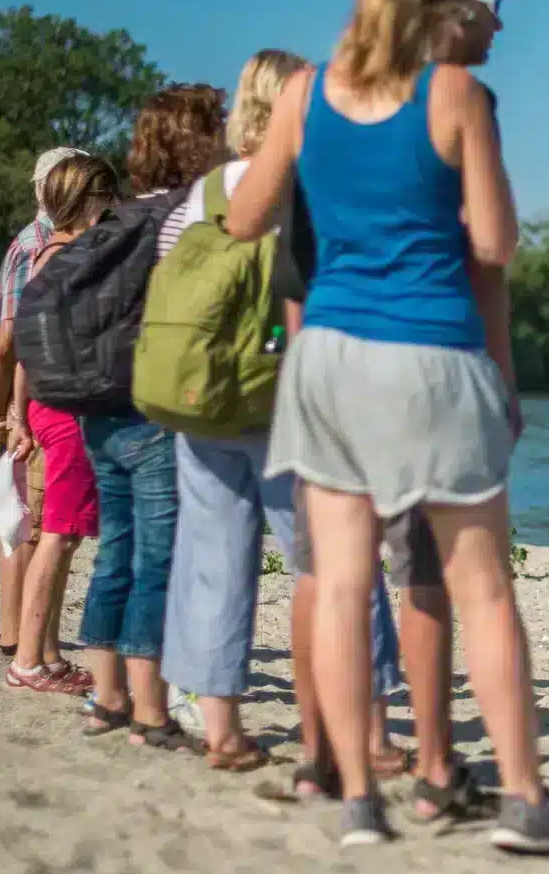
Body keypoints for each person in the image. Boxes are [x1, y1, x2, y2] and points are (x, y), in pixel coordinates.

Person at [225, 0, 549, 854]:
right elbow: (496, 246)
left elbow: (242, 219)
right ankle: (523, 801)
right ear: (457, 3)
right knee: (483, 591)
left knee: (341, 585)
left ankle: (356, 804)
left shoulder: (306, 94)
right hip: (432, 354)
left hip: (330, 355)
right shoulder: (458, 95)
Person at [158, 48, 401, 774]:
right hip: (286, 403)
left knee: (213, 562)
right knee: (338, 562)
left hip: (201, 404)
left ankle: (223, 729)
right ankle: (373, 731)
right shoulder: (305, 187)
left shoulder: (201, 197)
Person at [71, 84, 226, 751]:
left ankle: (106, 696)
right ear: (198, 139)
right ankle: (150, 712)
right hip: (153, 402)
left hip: (97, 404)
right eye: (217, 127)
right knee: (159, 561)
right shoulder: (192, 216)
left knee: (116, 550)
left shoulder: (119, 218)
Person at [2, 155, 113, 697]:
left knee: (60, 537)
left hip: (53, 405)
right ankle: (28, 661)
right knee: (60, 535)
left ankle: (45, 654)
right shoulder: (68, 258)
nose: (112, 206)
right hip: (68, 409)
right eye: (106, 196)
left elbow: (28, 345)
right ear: (86, 199)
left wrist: (19, 415)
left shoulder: (49, 255)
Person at [0, 146, 87, 661]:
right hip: (41, 398)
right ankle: (20, 638)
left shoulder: (34, 242)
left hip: (31, 397)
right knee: (35, 523)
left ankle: (14, 633)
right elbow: (10, 340)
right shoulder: (41, 245)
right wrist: (0, 412)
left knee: (23, 519)